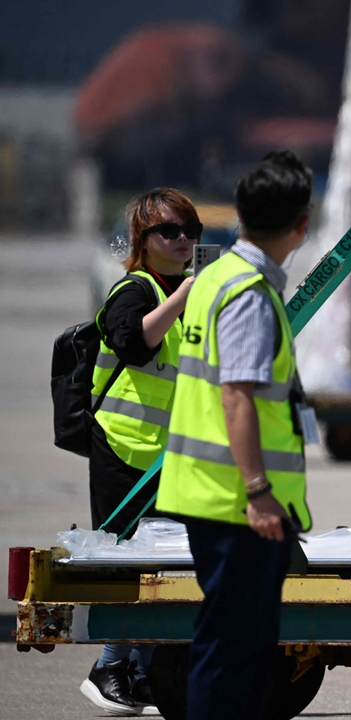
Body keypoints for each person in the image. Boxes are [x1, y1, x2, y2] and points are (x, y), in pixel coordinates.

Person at [157, 150, 314, 720]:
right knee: (232, 651)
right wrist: (257, 490)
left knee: (236, 647)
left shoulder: (214, 277)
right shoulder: (248, 292)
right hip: (236, 504)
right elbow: (236, 394)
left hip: (209, 493)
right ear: (301, 225)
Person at [81, 189, 201, 715]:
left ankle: (143, 673)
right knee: (125, 565)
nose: (183, 241)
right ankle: (107, 665)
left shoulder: (182, 293)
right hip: (123, 452)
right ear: (142, 240)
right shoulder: (134, 290)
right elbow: (133, 343)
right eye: (169, 232)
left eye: (190, 231)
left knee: (164, 569)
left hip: (167, 459)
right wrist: (183, 298)